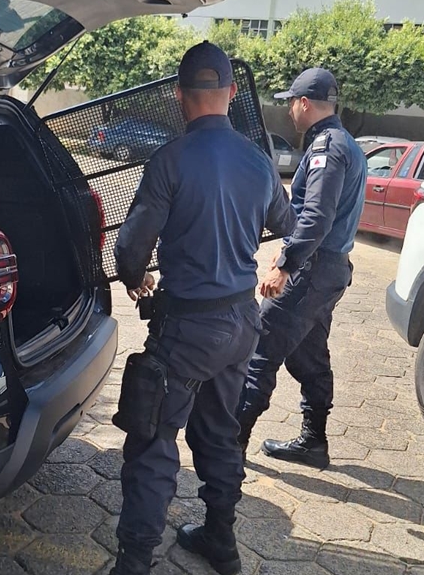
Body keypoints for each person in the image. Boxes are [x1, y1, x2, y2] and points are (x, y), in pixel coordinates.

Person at [109, 41, 295, 575]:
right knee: (217, 431)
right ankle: (221, 541)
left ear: (178, 96)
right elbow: (284, 223)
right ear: (232, 94)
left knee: (151, 439)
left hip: (188, 327)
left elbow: (128, 250)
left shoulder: (170, 159)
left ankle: (135, 562)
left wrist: (136, 275)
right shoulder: (259, 161)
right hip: (241, 323)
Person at [235, 67, 367, 469]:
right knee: (309, 355)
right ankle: (313, 442)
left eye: (291, 102)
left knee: (261, 349)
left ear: (304, 104)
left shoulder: (329, 148)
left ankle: (228, 449)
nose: (289, 109)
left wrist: (286, 265)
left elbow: (316, 216)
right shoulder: (345, 144)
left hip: (311, 269)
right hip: (328, 270)